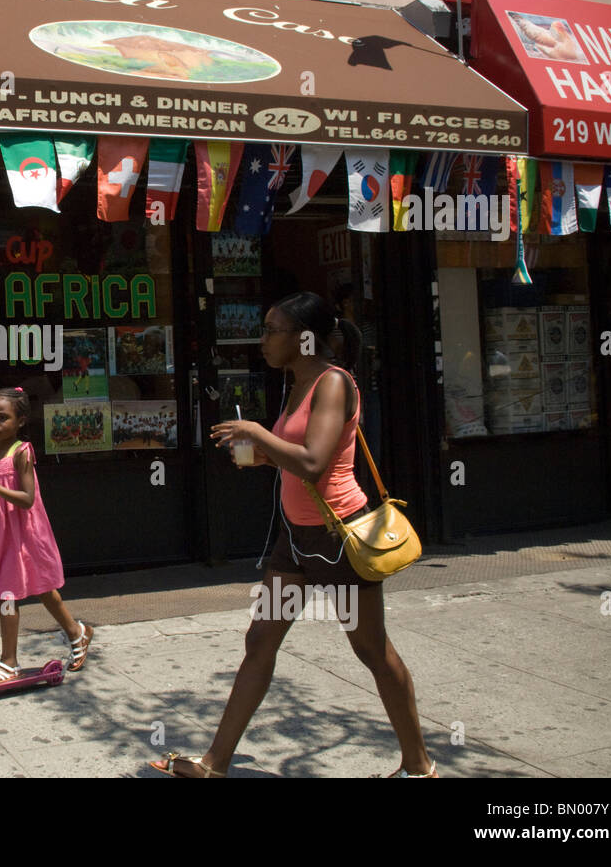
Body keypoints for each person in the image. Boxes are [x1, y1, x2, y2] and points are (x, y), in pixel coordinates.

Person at [151, 292, 435, 779]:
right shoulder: (298, 384)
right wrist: (260, 455)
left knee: (371, 650)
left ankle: (419, 765)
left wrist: (259, 435)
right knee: (261, 638)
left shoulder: (332, 384)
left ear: (305, 337)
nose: (262, 340)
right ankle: (215, 763)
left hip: (337, 541)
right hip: (297, 541)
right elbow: (296, 459)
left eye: (270, 330)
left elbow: (313, 462)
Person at [0, 387, 94, 684]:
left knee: (16, 592)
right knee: (40, 589)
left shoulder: (22, 452)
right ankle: (77, 633)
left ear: (21, 420)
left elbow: (26, 498)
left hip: (25, 531)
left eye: (3, 418)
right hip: (0, 532)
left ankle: (8, 662)